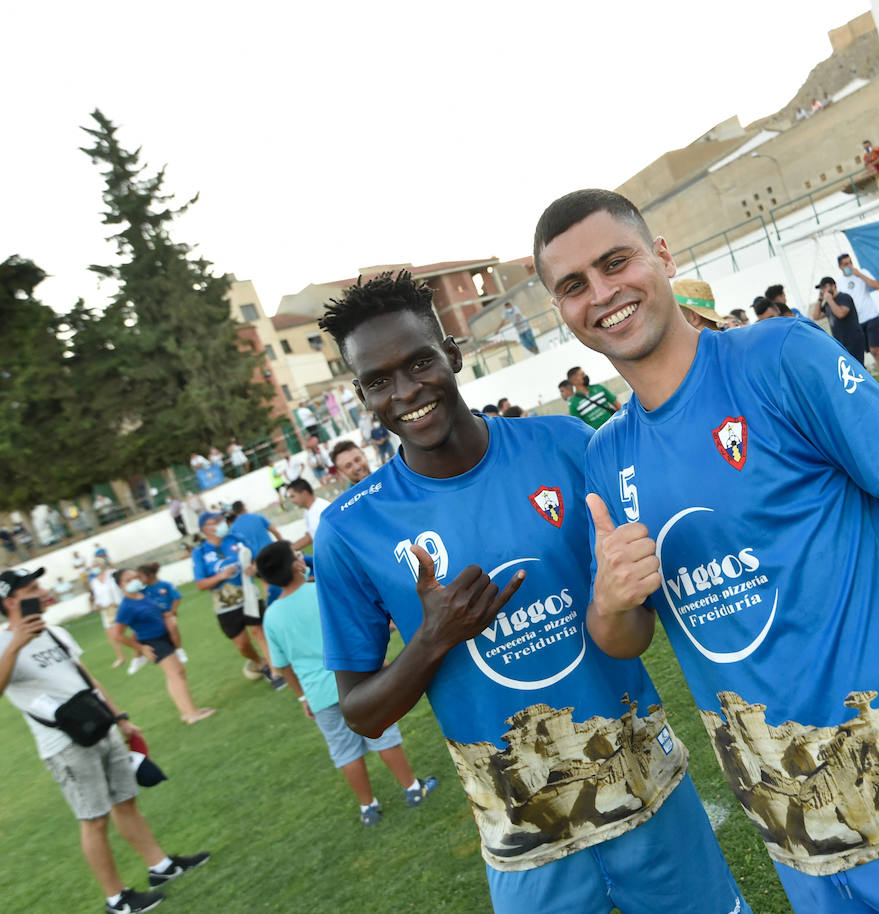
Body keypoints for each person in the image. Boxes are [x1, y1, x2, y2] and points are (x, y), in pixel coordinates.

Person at [534, 188, 879, 914]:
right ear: (560, 310)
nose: (603, 294)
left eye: (616, 262)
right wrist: (609, 603)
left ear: (663, 257)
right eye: (574, 286)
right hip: (798, 838)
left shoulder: (779, 356)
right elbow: (626, 634)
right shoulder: (606, 456)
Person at [313, 270, 750, 914]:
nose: (406, 391)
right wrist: (433, 638)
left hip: (648, 793)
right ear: (361, 393)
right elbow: (362, 714)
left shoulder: (568, 447)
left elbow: (651, 597)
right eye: (379, 380)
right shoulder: (351, 529)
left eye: (419, 362)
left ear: (453, 356)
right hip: (524, 841)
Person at [1, 567, 211, 914]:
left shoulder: (53, 631)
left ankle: (160, 867)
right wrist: (16, 645)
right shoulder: (2, 642)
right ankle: (117, 898)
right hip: (64, 745)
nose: (41, 591)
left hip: (101, 727)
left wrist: (120, 718)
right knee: (94, 820)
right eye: (32, 588)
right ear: (10, 601)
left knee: (126, 801)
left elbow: (85, 678)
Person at [257, 542, 437, 826]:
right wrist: (379, 665)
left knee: (344, 751)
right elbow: (357, 633)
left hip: (318, 694)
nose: (301, 557)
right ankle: (412, 789)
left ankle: (368, 807)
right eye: (296, 555)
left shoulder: (271, 616)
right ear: (295, 566)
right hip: (356, 681)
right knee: (384, 736)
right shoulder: (322, 592)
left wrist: (303, 697)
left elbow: (282, 665)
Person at [112, 570, 215, 724]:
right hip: (153, 642)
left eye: (135, 577)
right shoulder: (126, 607)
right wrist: (141, 648)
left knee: (176, 674)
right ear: (121, 586)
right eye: (128, 580)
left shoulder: (144, 594)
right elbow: (118, 635)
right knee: (176, 673)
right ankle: (192, 714)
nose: (134, 580)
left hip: (164, 636)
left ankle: (186, 711)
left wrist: (167, 616)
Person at [190, 510, 276, 684]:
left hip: (249, 594)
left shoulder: (236, 538)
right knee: (242, 644)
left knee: (258, 631)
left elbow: (254, 560)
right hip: (225, 605)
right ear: (205, 528)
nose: (222, 523)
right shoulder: (200, 552)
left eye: (221, 519)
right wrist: (221, 576)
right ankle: (261, 663)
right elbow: (200, 584)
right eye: (216, 521)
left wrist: (253, 568)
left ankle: (276, 672)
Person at [835, 253, 879, 389]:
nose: (849, 266)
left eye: (850, 262)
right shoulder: (839, 282)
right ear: (840, 267)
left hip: (871, 316)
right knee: (866, 353)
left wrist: (859, 275)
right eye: (845, 264)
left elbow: (877, 285)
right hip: (856, 322)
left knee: (875, 350)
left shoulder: (862, 272)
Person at [137, 563, 187, 664]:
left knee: (172, 627)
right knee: (136, 634)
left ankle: (179, 650)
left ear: (150, 575)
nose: (139, 580)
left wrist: (172, 611)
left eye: (140, 577)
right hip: (154, 617)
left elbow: (177, 597)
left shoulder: (165, 585)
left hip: (166, 614)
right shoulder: (143, 591)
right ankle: (139, 657)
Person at [810, 276, 866, 362]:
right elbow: (816, 316)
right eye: (821, 288)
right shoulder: (828, 304)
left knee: (858, 367)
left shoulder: (844, 297)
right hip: (841, 342)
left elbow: (841, 314)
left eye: (825, 287)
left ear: (833, 286)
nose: (823, 290)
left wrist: (829, 299)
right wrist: (820, 299)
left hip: (853, 340)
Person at [89, 563, 129, 668]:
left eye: (95, 565)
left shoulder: (112, 574)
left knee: (134, 627)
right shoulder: (94, 582)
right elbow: (97, 596)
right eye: (93, 567)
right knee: (112, 634)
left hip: (120, 605)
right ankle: (121, 657)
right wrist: (97, 605)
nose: (94, 568)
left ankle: (143, 648)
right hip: (106, 610)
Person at [285, 478, 332, 551]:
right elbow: (309, 536)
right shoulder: (307, 511)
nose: (292, 501)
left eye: (293, 496)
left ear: (304, 493)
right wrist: (287, 551)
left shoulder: (323, 509)